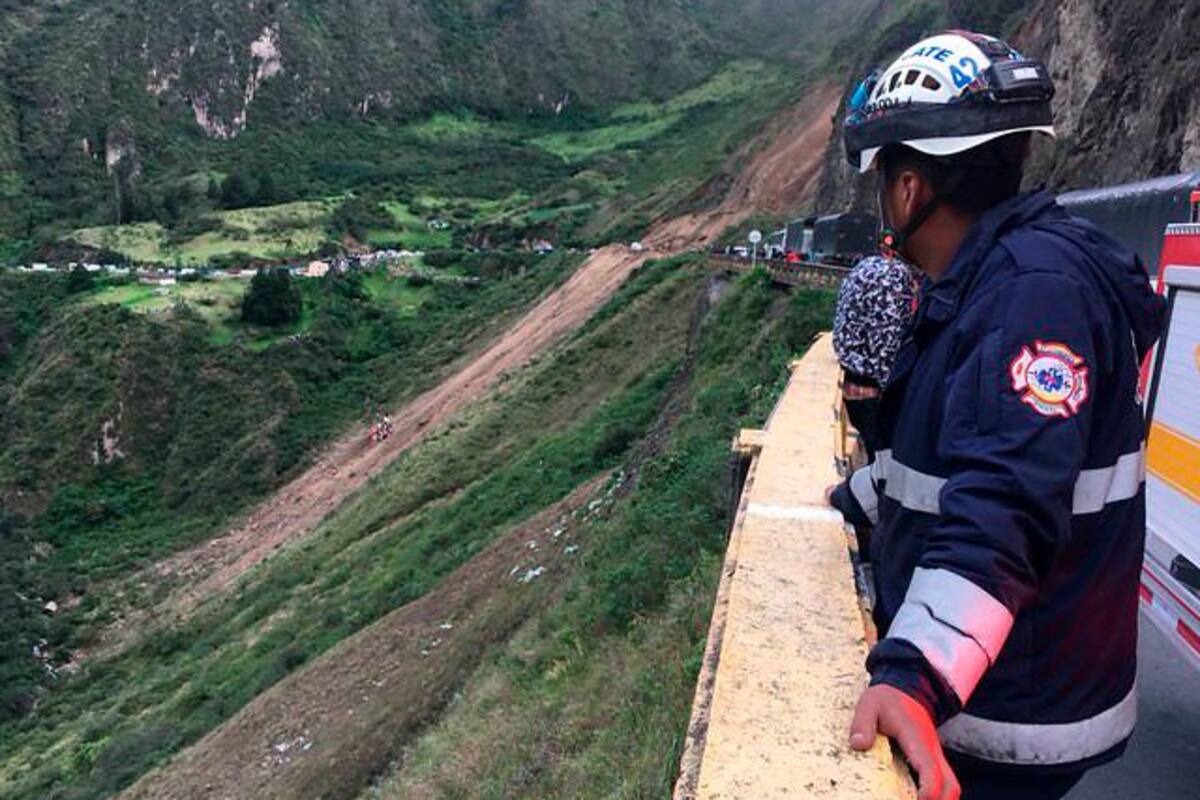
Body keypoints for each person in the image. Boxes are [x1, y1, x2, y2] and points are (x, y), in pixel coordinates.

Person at [831, 30, 1166, 800]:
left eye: (884, 178)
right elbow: (949, 455)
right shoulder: (990, 284)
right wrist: (859, 499)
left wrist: (915, 674)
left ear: (910, 190)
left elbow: (1007, 500)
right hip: (1011, 684)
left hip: (1008, 709)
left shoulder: (1030, 297)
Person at [832, 254, 920, 459]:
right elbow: (884, 342)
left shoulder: (870, 266)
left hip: (855, 383)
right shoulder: (894, 279)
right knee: (882, 463)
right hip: (871, 391)